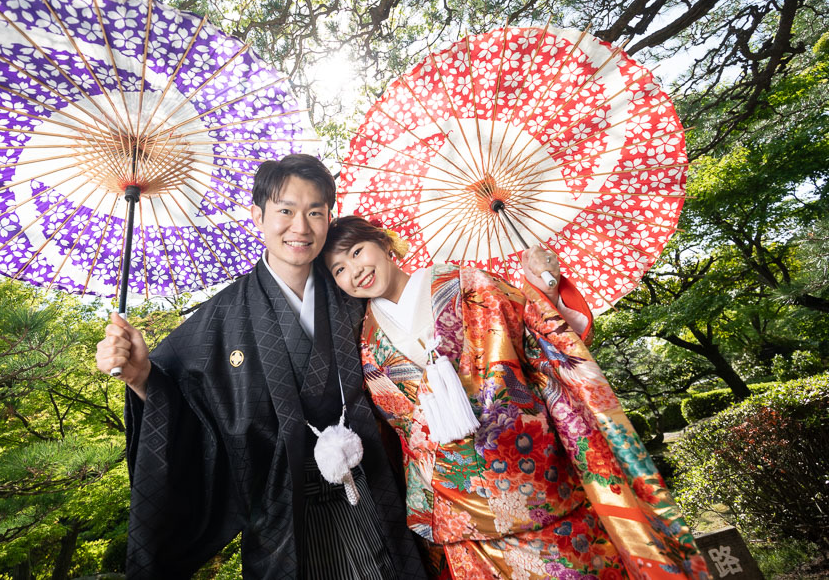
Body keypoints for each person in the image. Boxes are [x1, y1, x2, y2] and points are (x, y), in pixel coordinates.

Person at [322, 215, 710, 580]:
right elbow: (393, 426)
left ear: (385, 242)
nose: (354, 270)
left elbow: (540, 339)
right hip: (461, 510)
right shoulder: (366, 343)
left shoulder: (470, 284)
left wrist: (544, 289)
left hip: (535, 475)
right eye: (339, 269)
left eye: (357, 252)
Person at [95, 155, 428, 579]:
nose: (300, 227)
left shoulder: (349, 287)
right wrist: (141, 376)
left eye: (315, 213)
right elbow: (179, 396)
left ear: (329, 218)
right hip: (282, 514)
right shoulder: (223, 315)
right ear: (259, 216)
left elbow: (417, 329)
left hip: (372, 489)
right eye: (285, 211)